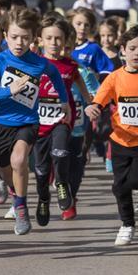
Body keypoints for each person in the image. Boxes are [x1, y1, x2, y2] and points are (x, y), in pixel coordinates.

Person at [0, 9, 68, 235]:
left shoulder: (39, 63)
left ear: (33, 37)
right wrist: (8, 91)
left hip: (28, 121)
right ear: (6, 36)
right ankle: (17, 197)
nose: (19, 42)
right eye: (14, 37)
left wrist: (64, 101)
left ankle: (22, 208)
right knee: (7, 170)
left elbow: (55, 74)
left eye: (25, 37)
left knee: (19, 160)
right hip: (2, 123)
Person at [85, 24, 138, 247]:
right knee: (119, 186)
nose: (137, 54)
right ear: (122, 50)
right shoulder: (115, 78)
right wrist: (93, 108)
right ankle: (127, 224)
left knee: (137, 181)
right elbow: (99, 100)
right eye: (132, 49)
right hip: (120, 140)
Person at [33, 16, 91, 226]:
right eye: (49, 38)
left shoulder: (69, 65)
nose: (54, 43)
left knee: (61, 152)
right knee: (40, 170)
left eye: (58, 39)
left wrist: (88, 99)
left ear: (65, 40)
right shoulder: (34, 63)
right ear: (40, 40)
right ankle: (43, 199)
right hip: (39, 123)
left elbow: (78, 79)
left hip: (62, 119)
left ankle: (62, 183)